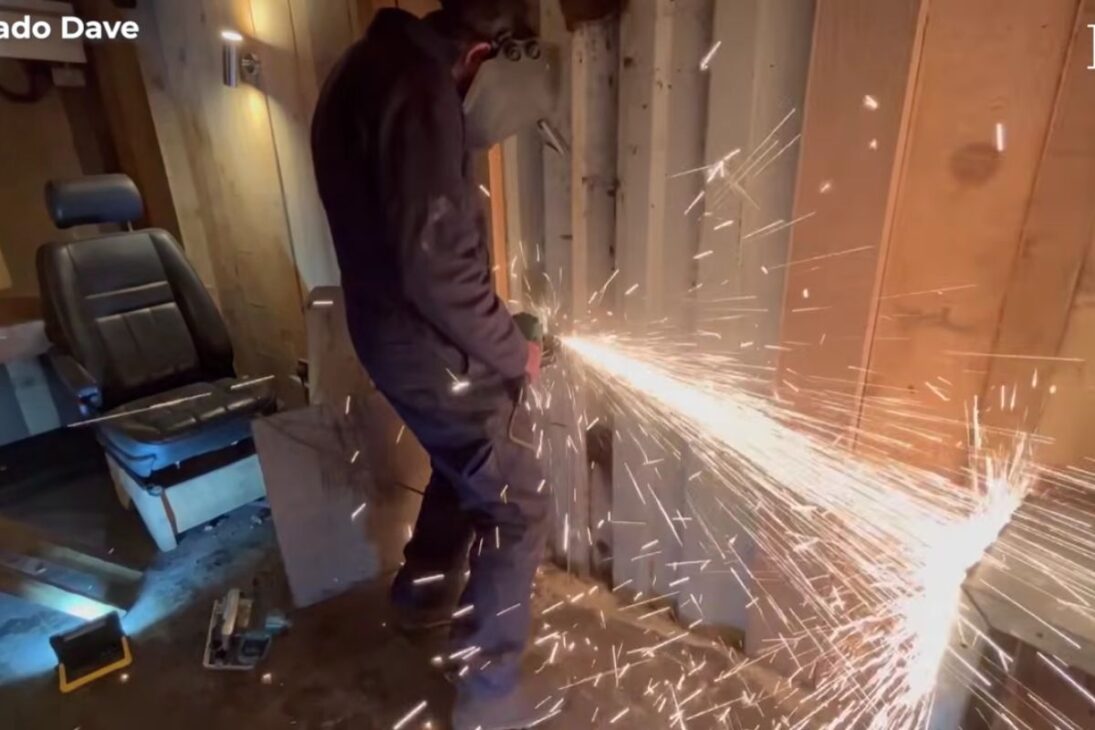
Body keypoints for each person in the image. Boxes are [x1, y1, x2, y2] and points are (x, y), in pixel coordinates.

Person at [310, 2, 555, 728]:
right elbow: (436, 268)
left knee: (464, 465)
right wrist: (514, 349)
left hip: (392, 335)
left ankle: (421, 597)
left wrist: (493, 330)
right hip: (422, 342)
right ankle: (488, 694)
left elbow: (418, 248)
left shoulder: (363, 65)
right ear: (482, 56)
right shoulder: (420, 88)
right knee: (518, 502)